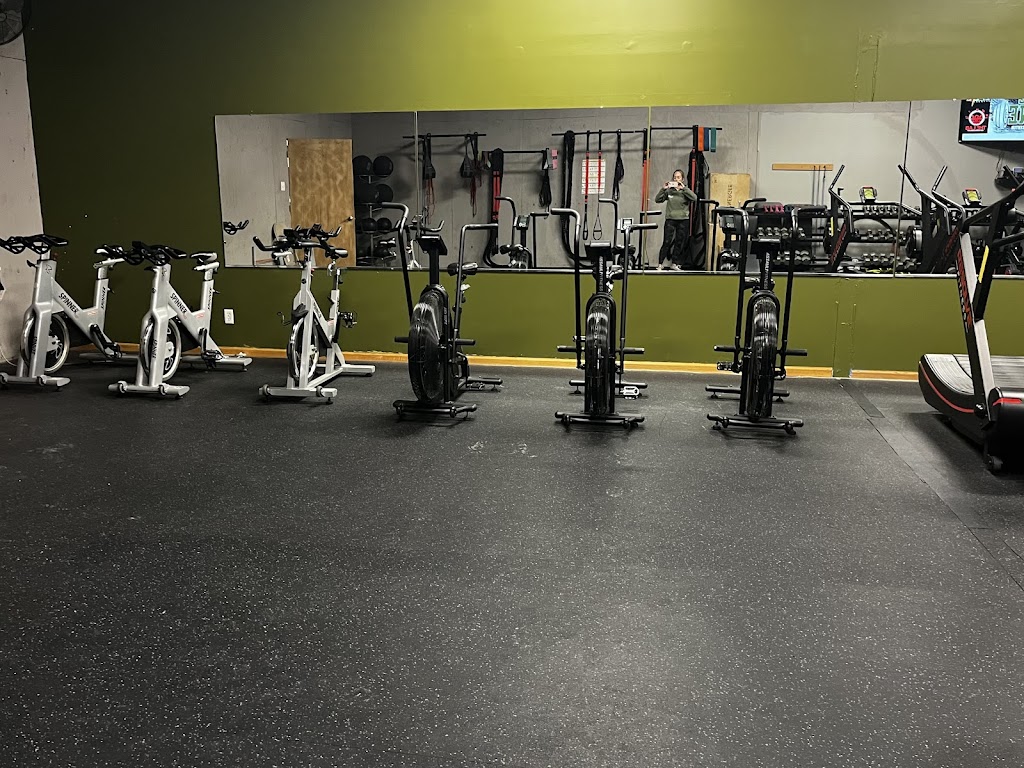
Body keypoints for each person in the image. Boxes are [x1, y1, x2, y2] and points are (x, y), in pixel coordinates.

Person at [654, 169, 698, 270]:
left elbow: (695, 198)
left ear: (682, 179)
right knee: (667, 241)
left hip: (683, 219)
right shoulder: (670, 191)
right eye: (675, 177)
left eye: (678, 177)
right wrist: (663, 189)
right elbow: (657, 199)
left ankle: (675, 263)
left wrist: (684, 188)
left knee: (679, 242)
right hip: (671, 219)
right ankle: (660, 264)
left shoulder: (685, 191)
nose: (676, 179)